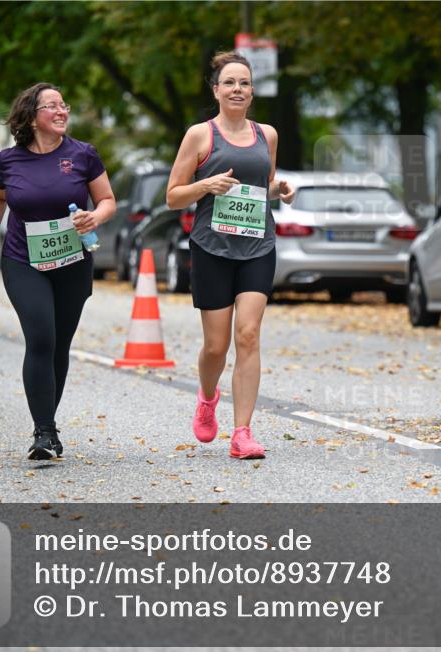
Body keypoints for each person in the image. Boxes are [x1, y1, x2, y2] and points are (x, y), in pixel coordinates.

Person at [165, 52, 295, 460]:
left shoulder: (267, 135)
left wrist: (281, 190)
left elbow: (264, 184)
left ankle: (242, 433)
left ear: (252, 91)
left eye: (244, 83)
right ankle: (207, 398)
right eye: (230, 83)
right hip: (212, 248)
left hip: (258, 245)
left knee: (249, 335)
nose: (238, 89)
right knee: (217, 347)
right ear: (216, 90)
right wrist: (207, 186)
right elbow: (172, 196)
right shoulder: (200, 136)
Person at [0, 83, 116, 460]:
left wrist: (95, 217)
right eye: (52, 106)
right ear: (31, 116)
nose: (61, 112)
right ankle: (44, 431)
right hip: (24, 260)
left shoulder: (83, 155)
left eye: (64, 104)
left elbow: (107, 200)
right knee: (41, 336)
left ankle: (48, 422)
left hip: (72, 262)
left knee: (59, 344)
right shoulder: (8, 161)